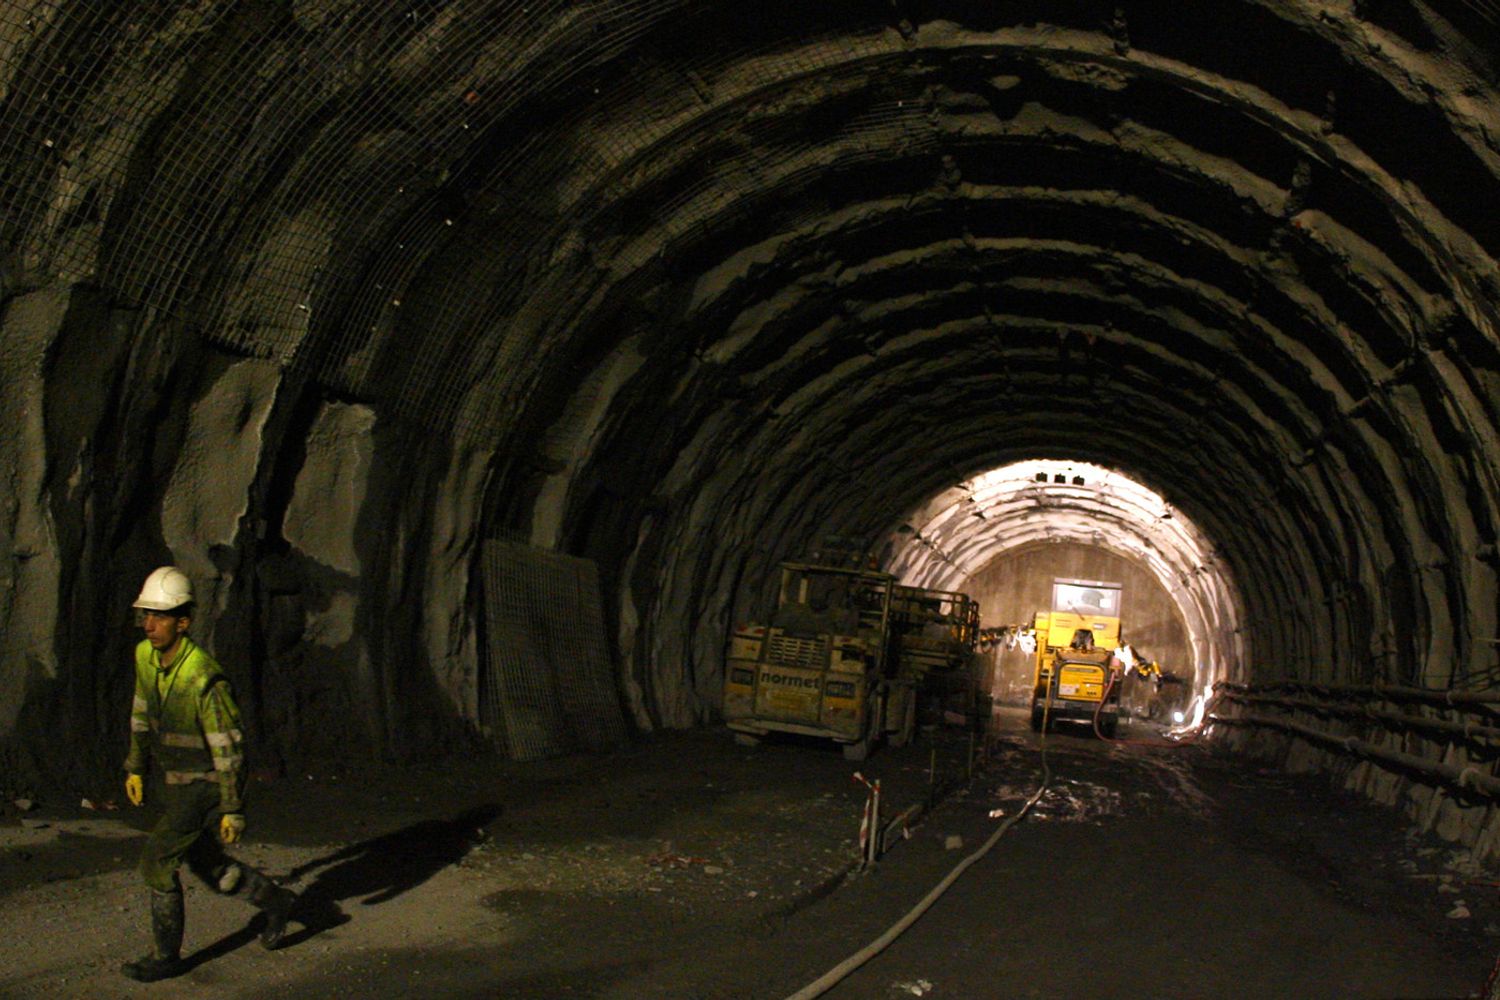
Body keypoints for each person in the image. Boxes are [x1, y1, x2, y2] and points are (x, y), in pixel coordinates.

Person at [120, 566, 296, 982]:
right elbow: (141, 712)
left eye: (160, 617)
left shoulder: (203, 676)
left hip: (203, 785)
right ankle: (275, 902)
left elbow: (228, 746)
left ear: (183, 622)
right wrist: (136, 766)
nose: (150, 625)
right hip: (173, 781)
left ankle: (167, 956)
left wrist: (233, 806)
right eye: (146, 614)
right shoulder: (145, 656)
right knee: (207, 863)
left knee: (157, 862)